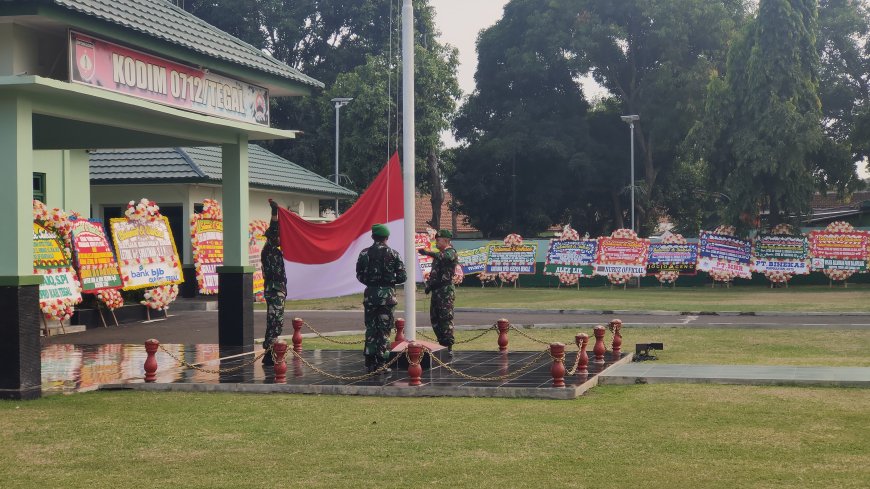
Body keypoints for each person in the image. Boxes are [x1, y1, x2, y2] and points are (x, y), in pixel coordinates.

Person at [355, 223, 407, 373]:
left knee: (371, 328)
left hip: (371, 295)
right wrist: (389, 282)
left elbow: (359, 274)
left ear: (373, 237)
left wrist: (371, 282)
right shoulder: (394, 254)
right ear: (387, 237)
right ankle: (382, 362)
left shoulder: (364, 253)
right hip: (387, 297)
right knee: (384, 330)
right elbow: (403, 276)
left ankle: (370, 361)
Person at [419, 229, 458, 355]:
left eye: (439, 240)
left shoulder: (451, 252)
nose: (436, 242)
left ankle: (447, 346)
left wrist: (427, 253)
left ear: (446, 241)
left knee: (445, 318)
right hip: (437, 291)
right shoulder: (438, 255)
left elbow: (444, 257)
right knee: (435, 318)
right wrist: (429, 286)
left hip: (445, 291)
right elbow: (435, 274)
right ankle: (441, 343)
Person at [261, 199, 286, 366]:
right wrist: (274, 211)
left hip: (277, 290)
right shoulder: (269, 249)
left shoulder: (273, 250)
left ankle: (269, 352)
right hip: (274, 290)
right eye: (277, 236)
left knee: (276, 322)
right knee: (275, 323)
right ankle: (269, 353)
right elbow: (274, 227)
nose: (280, 239)